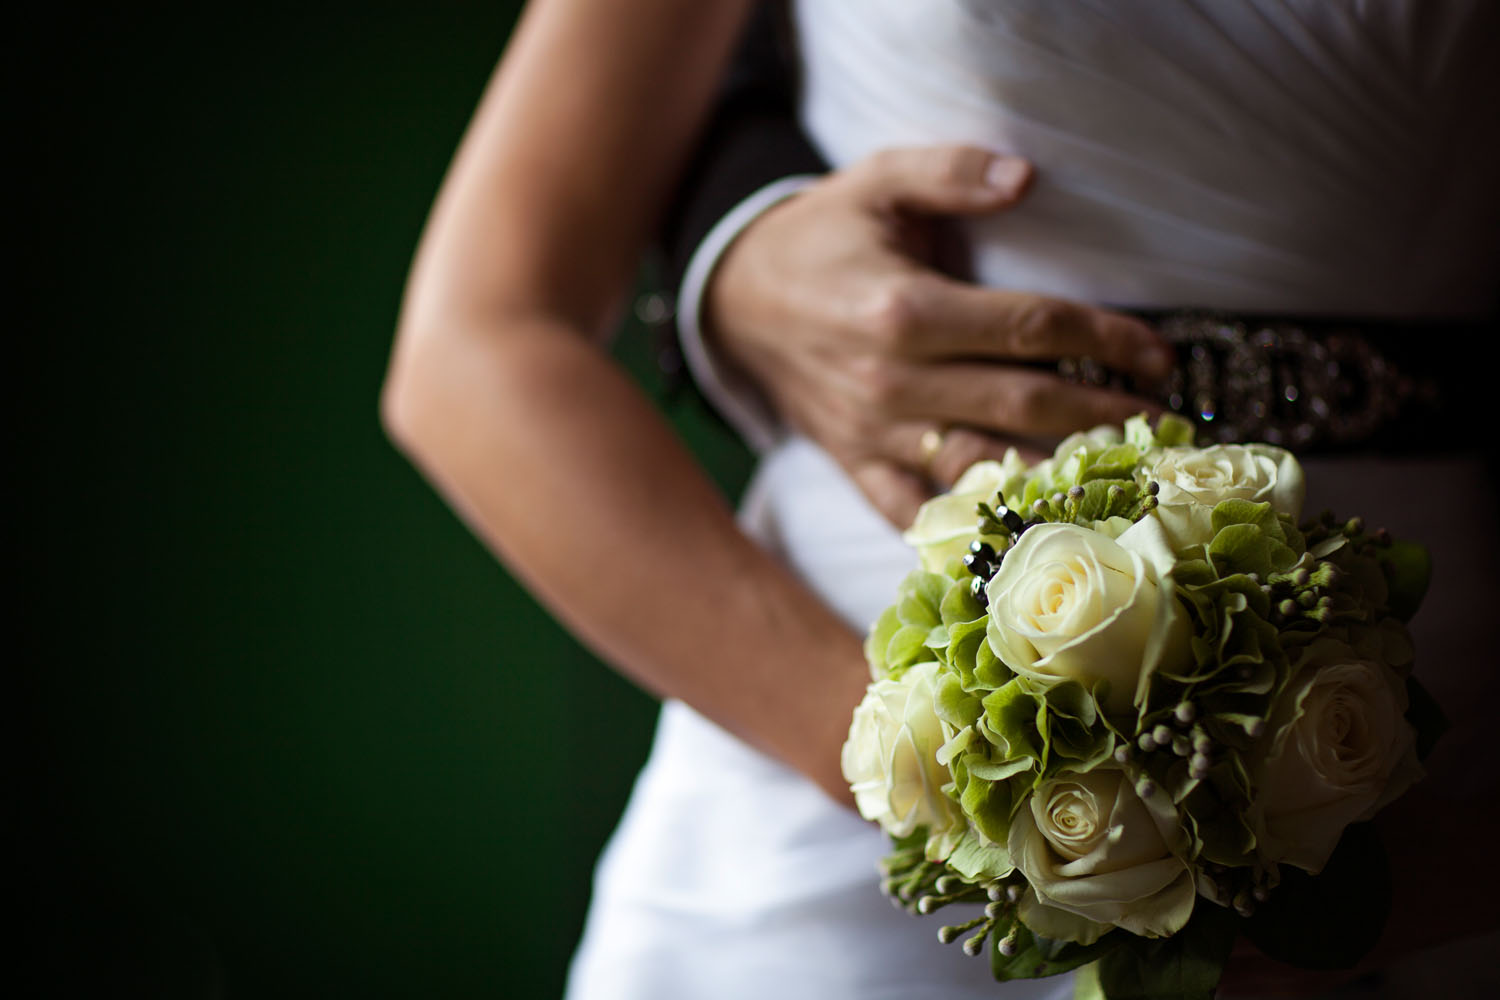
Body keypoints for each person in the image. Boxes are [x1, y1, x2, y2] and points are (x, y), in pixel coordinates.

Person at [383, 2, 1500, 997]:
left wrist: (1458, 861)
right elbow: (477, 347)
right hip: (832, 809)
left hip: (1426, 786)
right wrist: (950, 789)